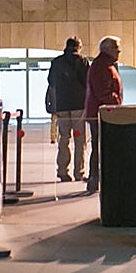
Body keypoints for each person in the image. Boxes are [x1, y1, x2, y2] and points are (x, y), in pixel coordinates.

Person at [83, 35, 123, 195]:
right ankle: (95, 179)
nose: (119, 52)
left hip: (103, 112)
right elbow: (103, 91)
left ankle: (97, 179)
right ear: (108, 49)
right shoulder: (102, 66)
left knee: (100, 146)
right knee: (100, 146)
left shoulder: (105, 65)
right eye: (116, 48)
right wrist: (116, 101)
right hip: (102, 113)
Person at [46, 36, 89, 182]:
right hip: (78, 105)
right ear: (78, 47)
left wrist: (51, 102)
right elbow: (87, 82)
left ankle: (63, 171)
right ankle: (79, 172)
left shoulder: (56, 62)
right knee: (79, 139)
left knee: (64, 138)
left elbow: (51, 83)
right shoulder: (83, 61)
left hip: (62, 105)